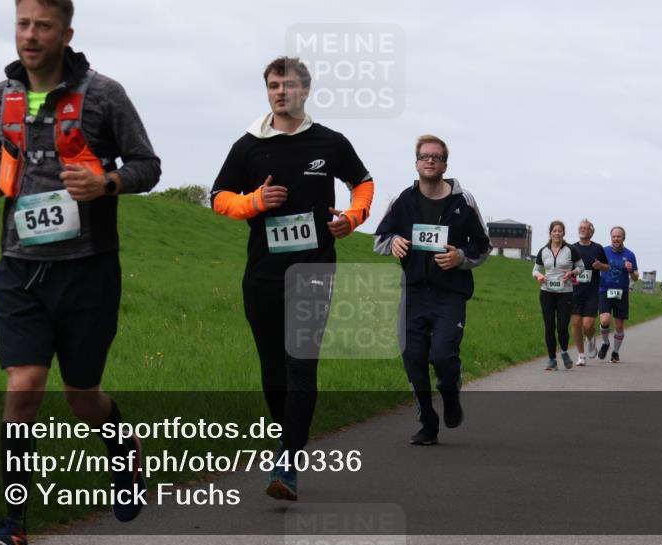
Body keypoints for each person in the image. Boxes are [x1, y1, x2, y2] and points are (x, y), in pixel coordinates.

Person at [0, 0, 162, 545]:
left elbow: (148, 165)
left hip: (88, 269)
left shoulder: (104, 95)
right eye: (22, 24)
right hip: (20, 266)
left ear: (66, 34)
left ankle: (123, 450)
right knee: (24, 385)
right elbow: (10, 160)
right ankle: (13, 525)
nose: (30, 35)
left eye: (43, 26)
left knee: (82, 397)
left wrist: (107, 182)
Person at [210, 56, 373, 500]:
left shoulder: (330, 142)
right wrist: (254, 202)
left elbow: (363, 183)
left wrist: (353, 216)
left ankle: (287, 461)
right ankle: (289, 440)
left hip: (314, 270)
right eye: (273, 85)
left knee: (300, 363)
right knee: (273, 371)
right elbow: (218, 197)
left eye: (288, 85)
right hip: (262, 274)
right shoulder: (249, 145)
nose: (280, 92)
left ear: (306, 90)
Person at [374, 135, 490, 445]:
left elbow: (483, 245)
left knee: (442, 355)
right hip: (413, 293)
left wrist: (460, 257)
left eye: (436, 157)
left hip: (450, 294)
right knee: (412, 357)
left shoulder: (463, 202)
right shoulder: (403, 200)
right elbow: (380, 238)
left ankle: (450, 394)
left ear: (444, 166)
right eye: (425, 156)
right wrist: (393, 242)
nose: (430, 161)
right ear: (416, 163)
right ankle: (428, 421)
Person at [532, 221, 584, 370]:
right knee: (549, 327)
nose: (557, 233)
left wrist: (572, 273)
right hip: (547, 292)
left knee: (562, 327)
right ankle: (552, 360)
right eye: (554, 231)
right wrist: (539, 276)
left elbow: (581, 267)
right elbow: (535, 270)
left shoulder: (571, 250)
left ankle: (564, 351)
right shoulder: (543, 251)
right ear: (550, 233)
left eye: (559, 231)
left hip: (565, 293)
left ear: (563, 233)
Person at [597, 227, 639, 363]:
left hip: (622, 292)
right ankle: (605, 343)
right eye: (614, 236)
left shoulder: (630, 254)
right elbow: (596, 267)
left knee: (619, 325)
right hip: (604, 289)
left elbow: (636, 277)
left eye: (618, 236)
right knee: (604, 320)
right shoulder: (604, 251)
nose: (616, 239)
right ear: (611, 237)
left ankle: (615, 352)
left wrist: (631, 270)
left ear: (623, 238)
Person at [570, 219, 608, 365]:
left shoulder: (597, 248)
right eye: (580, 227)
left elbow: (607, 267)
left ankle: (591, 339)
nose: (582, 230)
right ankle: (581, 355)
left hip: (592, 293)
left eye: (585, 228)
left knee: (587, 325)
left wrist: (600, 266)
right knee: (576, 323)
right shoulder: (572, 248)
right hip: (574, 292)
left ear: (591, 232)